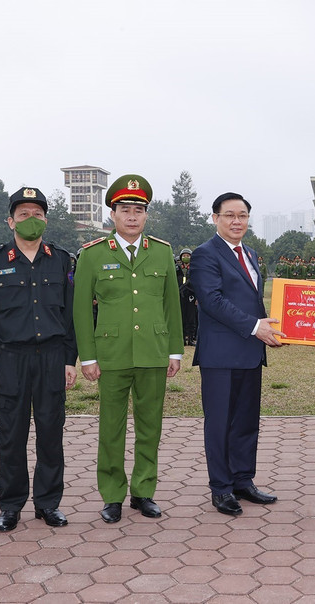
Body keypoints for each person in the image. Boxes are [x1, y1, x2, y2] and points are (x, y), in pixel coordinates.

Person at [73, 175, 184, 524]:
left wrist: (175, 351)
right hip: (112, 354)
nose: (132, 216)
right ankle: (112, 495)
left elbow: (172, 306)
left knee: (150, 426)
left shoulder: (163, 252)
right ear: (113, 213)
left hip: (153, 352)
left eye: (139, 210)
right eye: (125, 209)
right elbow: (80, 310)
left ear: (146, 215)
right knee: (112, 428)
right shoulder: (92, 255)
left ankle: (144, 491)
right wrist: (87, 357)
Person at [0, 186, 77, 532]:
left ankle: (48, 503)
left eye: (37, 214)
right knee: (11, 435)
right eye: (23, 215)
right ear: (10, 221)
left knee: (51, 434)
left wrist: (69, 359)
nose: (30, 220)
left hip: (51, 357)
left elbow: (70, 316)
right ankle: (11, 505)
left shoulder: (61, 259)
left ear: (45, 220)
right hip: (10, 359)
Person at [190, 192, 285, 516]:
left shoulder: (252, 254)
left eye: (242, 215)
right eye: (229, 215)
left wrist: (274, 326)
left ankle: (243, 480)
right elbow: (212, 300)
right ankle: (221, 488)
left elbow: (251, 301)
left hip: (249, 351)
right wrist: (255, 327)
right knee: (219, 424)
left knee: (246, 422)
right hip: (220, 354)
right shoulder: (205, 255)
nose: (236, 221)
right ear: (215, 218)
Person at [178, 248, 198, 346]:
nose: (186, 258)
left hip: (191, 295)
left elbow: (199, 284)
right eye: (184, 256)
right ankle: (182, 339)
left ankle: (191, 339)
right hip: (180, 296)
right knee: (181, 317)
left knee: (191, 318)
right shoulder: (177, 269)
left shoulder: (194, 269)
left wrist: (197, 297)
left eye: (188, 256)